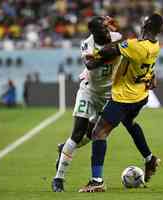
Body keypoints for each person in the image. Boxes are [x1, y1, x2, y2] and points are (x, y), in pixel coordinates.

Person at [78, 13, 163, 192]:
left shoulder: (134, 46)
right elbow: (135, 53)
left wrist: (98, 50)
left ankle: (97, 180)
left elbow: (108, 52)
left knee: (99, 132)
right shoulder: (155, 46)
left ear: (146, 26)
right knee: (130, 122)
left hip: (124, 98)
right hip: (141, 96)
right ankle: (150, 159)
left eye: (143, 23)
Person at [51, 16, 122, 192]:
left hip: (107, 96)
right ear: (94, 32)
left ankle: (63, 149)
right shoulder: (87, 43)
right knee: (77, 133)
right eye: (103, 29)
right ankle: (58, 178)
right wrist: (110, 53)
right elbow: (90, 64)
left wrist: (111, 49)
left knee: (93, 135)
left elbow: (123, 42)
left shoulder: (115, 37)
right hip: (88, 92)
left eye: (107, 28)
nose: (107, 31)